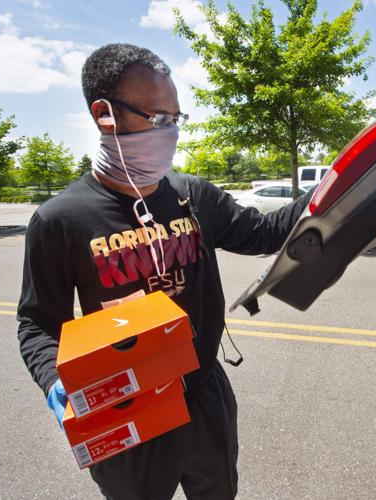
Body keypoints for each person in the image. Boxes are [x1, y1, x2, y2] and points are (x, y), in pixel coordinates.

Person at [17, 43, 311, 500]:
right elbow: (37, 323)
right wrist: (56, 383)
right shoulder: (60, 220)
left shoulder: (190, 195)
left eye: (176, 119)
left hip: (204, 393)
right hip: (127, 407)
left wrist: (337, 186)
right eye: (157, 119)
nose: (170, 133)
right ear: (104, 115)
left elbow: (266, 233)